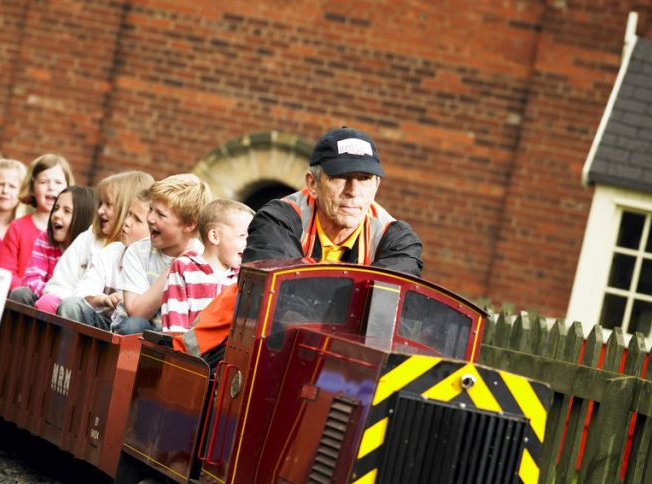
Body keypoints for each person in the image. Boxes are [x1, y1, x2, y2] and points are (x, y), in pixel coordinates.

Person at [173, 126, 423, 358]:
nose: (353, 190)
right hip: (217, 348)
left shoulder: (398, 239)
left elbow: (388, 312)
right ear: (312, 184)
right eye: (341, 177)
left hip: (327, 355)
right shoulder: (276, 219)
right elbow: (282, 301)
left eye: (365, 178)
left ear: (376, 185)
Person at [38, 170, 153, 315]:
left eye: (108, 204)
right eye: (100, 203)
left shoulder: (142, 255)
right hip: (75, 310)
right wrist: (76, 305)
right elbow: (60, 284)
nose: (99, 210)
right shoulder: (89, 238)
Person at [112, 173, 211, 335]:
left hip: (174, 340)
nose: (150, 218)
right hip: (133, 337)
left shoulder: (203, 260)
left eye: (161, 214)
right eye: (151, 209)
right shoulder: (138, 251)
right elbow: (137, 312)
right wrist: (176, 267)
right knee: (135, 325)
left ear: (189, 225)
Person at [56, 186, 153, 330]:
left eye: (137, 219)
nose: (126, 222)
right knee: (70, 305)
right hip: (102, 322)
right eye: (128, 214)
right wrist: (104, 299)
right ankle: (69, 352)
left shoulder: (155, 265)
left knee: (134, 325)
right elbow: (83, 291)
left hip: (129, 331)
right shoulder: (112, 251)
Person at [161, 199, 253, 333]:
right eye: (242, 236)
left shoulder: (242, 276)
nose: (249, 244)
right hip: (190, 350)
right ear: (214, 236)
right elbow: (175, 324)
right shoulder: (184, 268)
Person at [8, 186, 99, 307]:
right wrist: (51, 293)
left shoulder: (91, 248)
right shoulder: (45, 239)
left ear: (82, 218)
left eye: (66, 211)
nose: (57, 214)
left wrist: (60, 295)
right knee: (20, 293)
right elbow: (31, 279)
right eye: (56, 208)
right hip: (42, 297)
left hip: (70, 304)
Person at [0, 154, 74, 288]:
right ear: (32, 188)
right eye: (43, 182)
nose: (51, 187)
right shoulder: (18, 227)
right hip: (21, 299)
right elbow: (5, 272)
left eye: (58, 182)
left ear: (68, 187)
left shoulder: (73, 231)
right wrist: (34, 290)